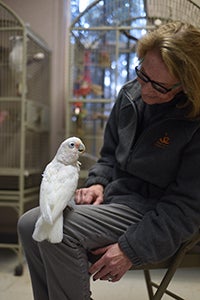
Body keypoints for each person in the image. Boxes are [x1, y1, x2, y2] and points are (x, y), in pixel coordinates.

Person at [18, 21, 200, 300]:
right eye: (143, 75)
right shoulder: (130, 95)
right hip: (118, 198)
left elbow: (186, 208)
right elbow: (108, 156)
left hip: (156, 211)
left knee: (61, 231)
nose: (146, 91)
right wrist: (98, 183)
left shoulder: (193, 123)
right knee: (30, 225)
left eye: (160, 87)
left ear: (186, 86)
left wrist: (132, 248)